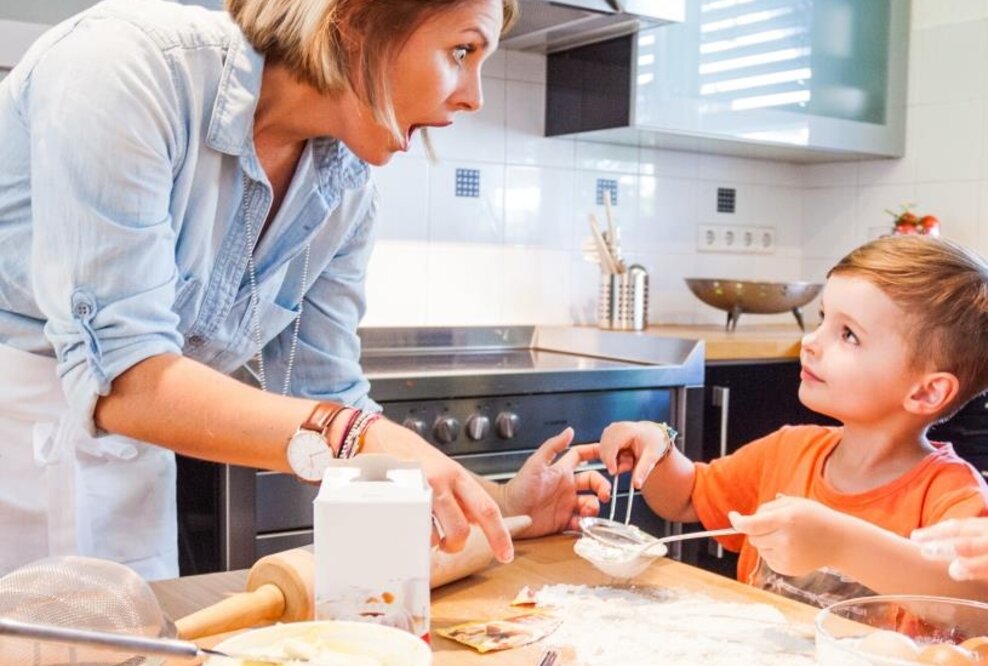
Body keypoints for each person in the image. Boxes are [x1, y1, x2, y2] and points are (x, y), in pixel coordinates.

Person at [0, 0, 610, 580]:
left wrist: (499, 506)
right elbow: (124, 380)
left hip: (131, 475)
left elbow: (328, 400)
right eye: (461, 50)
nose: (474, 96)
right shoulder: (125, 68)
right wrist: (355, 433)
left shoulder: (344, 188)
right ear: (358, 20)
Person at [597, 235, 988, 607]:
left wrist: (840, 543)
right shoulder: (788, 450)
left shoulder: (952, 496)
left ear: (926, 392)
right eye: (822, 319)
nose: (811, 341)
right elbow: (685, 496)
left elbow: (966, 600)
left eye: (848, 334)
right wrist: (658, 449)